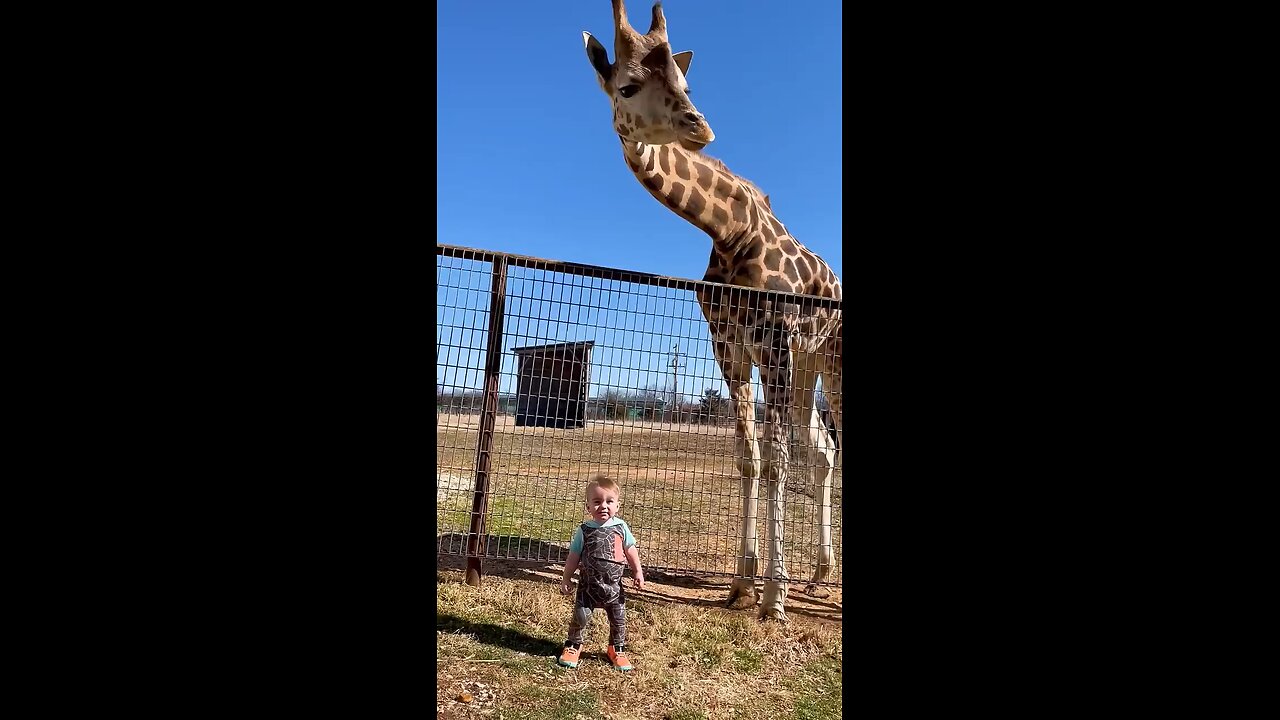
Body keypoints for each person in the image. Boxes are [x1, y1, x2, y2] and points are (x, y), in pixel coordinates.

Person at [557, 473, 645, 671]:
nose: (603, 506)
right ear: (588, 507)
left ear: (617, 506)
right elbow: (573, 556)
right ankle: (573, 646)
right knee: (580, 617)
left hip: (614, 589)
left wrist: (637, 572)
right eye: (597, 502)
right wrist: (566, 577)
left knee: (618, 619)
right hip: (588, 587)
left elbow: (631, 551)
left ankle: (617, 649)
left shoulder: (621, 528)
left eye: (609, 501)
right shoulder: (584, 530)